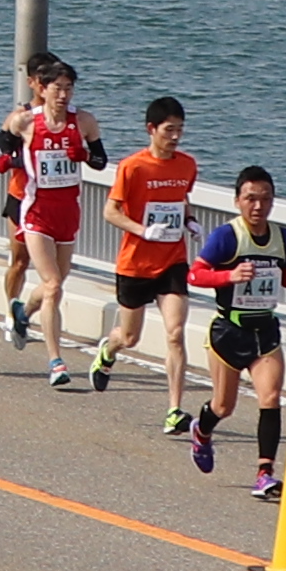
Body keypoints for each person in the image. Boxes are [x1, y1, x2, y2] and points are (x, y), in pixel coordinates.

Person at [199, 174, 286, 499]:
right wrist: (228, 276)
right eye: (250, 198)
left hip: (265, 332)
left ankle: (264, 474)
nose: (258, 206)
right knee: (223, 406)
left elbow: (283, 278)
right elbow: (195, 273)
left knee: (271, 398)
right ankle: (201, 431)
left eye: (265, 198)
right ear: (237, 201)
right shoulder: (227, 236)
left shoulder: (280, 236)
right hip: (228, 332)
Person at [90, 98, 200, 406]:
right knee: (129, 338)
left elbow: (181, 198)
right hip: (135, 264)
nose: (175, 137)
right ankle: (107, 352)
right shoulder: (132, 167)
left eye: (180, 130)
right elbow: (110, 212)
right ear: (151, 129)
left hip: (172, 261)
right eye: (169, 130)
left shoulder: (187, 164)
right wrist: (142, 230)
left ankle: (175, 409)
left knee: (175, 333)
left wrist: (190, 221)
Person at [1, 61, 105, 357]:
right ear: (42, 89)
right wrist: (7, 160)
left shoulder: (84, 121)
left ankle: (23, 313)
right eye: (57, 88)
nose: (63, 95)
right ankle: (55, 361)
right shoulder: (25, 121)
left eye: (68, 88)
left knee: (55, 284)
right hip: (36, 210)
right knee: (53, 284)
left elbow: (100, 161)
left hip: (68, 212)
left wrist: (83, 154)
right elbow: (3, 147)